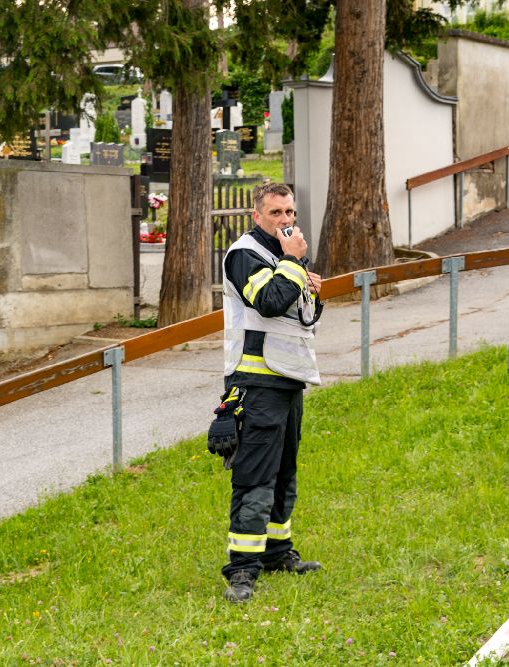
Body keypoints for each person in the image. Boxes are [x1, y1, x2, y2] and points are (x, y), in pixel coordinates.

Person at [219, 182, 325, 604]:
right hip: (256, 384)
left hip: (287, 379)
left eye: (290, 212)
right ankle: (243, 570)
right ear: (257, 216)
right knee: (255, 478)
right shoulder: (244, 254)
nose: (286, 220)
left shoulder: (281, 255)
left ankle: (278, 553)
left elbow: (297, 316)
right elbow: (268, 301)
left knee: (284, 474)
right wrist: (294, 263)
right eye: (276, 213)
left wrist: (308, 286)